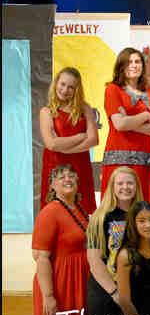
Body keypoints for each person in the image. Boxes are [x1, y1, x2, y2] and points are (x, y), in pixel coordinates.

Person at [31, 165, 91, 315]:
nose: (67, 179)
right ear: (52, 186)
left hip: (78, 285)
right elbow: (41, 257)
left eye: (71, 175)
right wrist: (48, 296)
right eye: (61, 176)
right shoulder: (50, 212)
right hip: (59, 286)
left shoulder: (79, 209)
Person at [85, 166, 143, 315]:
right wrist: (115, 293)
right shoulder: (99, 218)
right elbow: (94, 260)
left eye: (129, 183)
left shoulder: (144, 215)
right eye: (120, 183)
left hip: (134, 292)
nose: (125, 187)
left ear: (136, 186)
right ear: (112, 187)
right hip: (105, 292)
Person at [101, 47, 150, 204]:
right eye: (129, 62)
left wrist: (128, 120)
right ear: (121, 66)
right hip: (118, 159)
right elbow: (120, 125)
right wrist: (145, 116)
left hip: (143, 160)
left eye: (137, 62)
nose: (134, 65)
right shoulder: (112, 89)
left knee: (141, 208)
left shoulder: (149, 92)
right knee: (115, 206)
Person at [39, 67, 98, 214]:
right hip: (56, 167)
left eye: (71, 87)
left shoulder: (84, 108)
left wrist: (66, 148)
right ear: (56, 83)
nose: (65, 90)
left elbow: (93, 139)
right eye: (63, 84)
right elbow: (52, 144)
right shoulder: (47, 111)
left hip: (80, 167)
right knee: (56, 212)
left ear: (77, 90)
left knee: (81, 211)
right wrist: (80, 137)